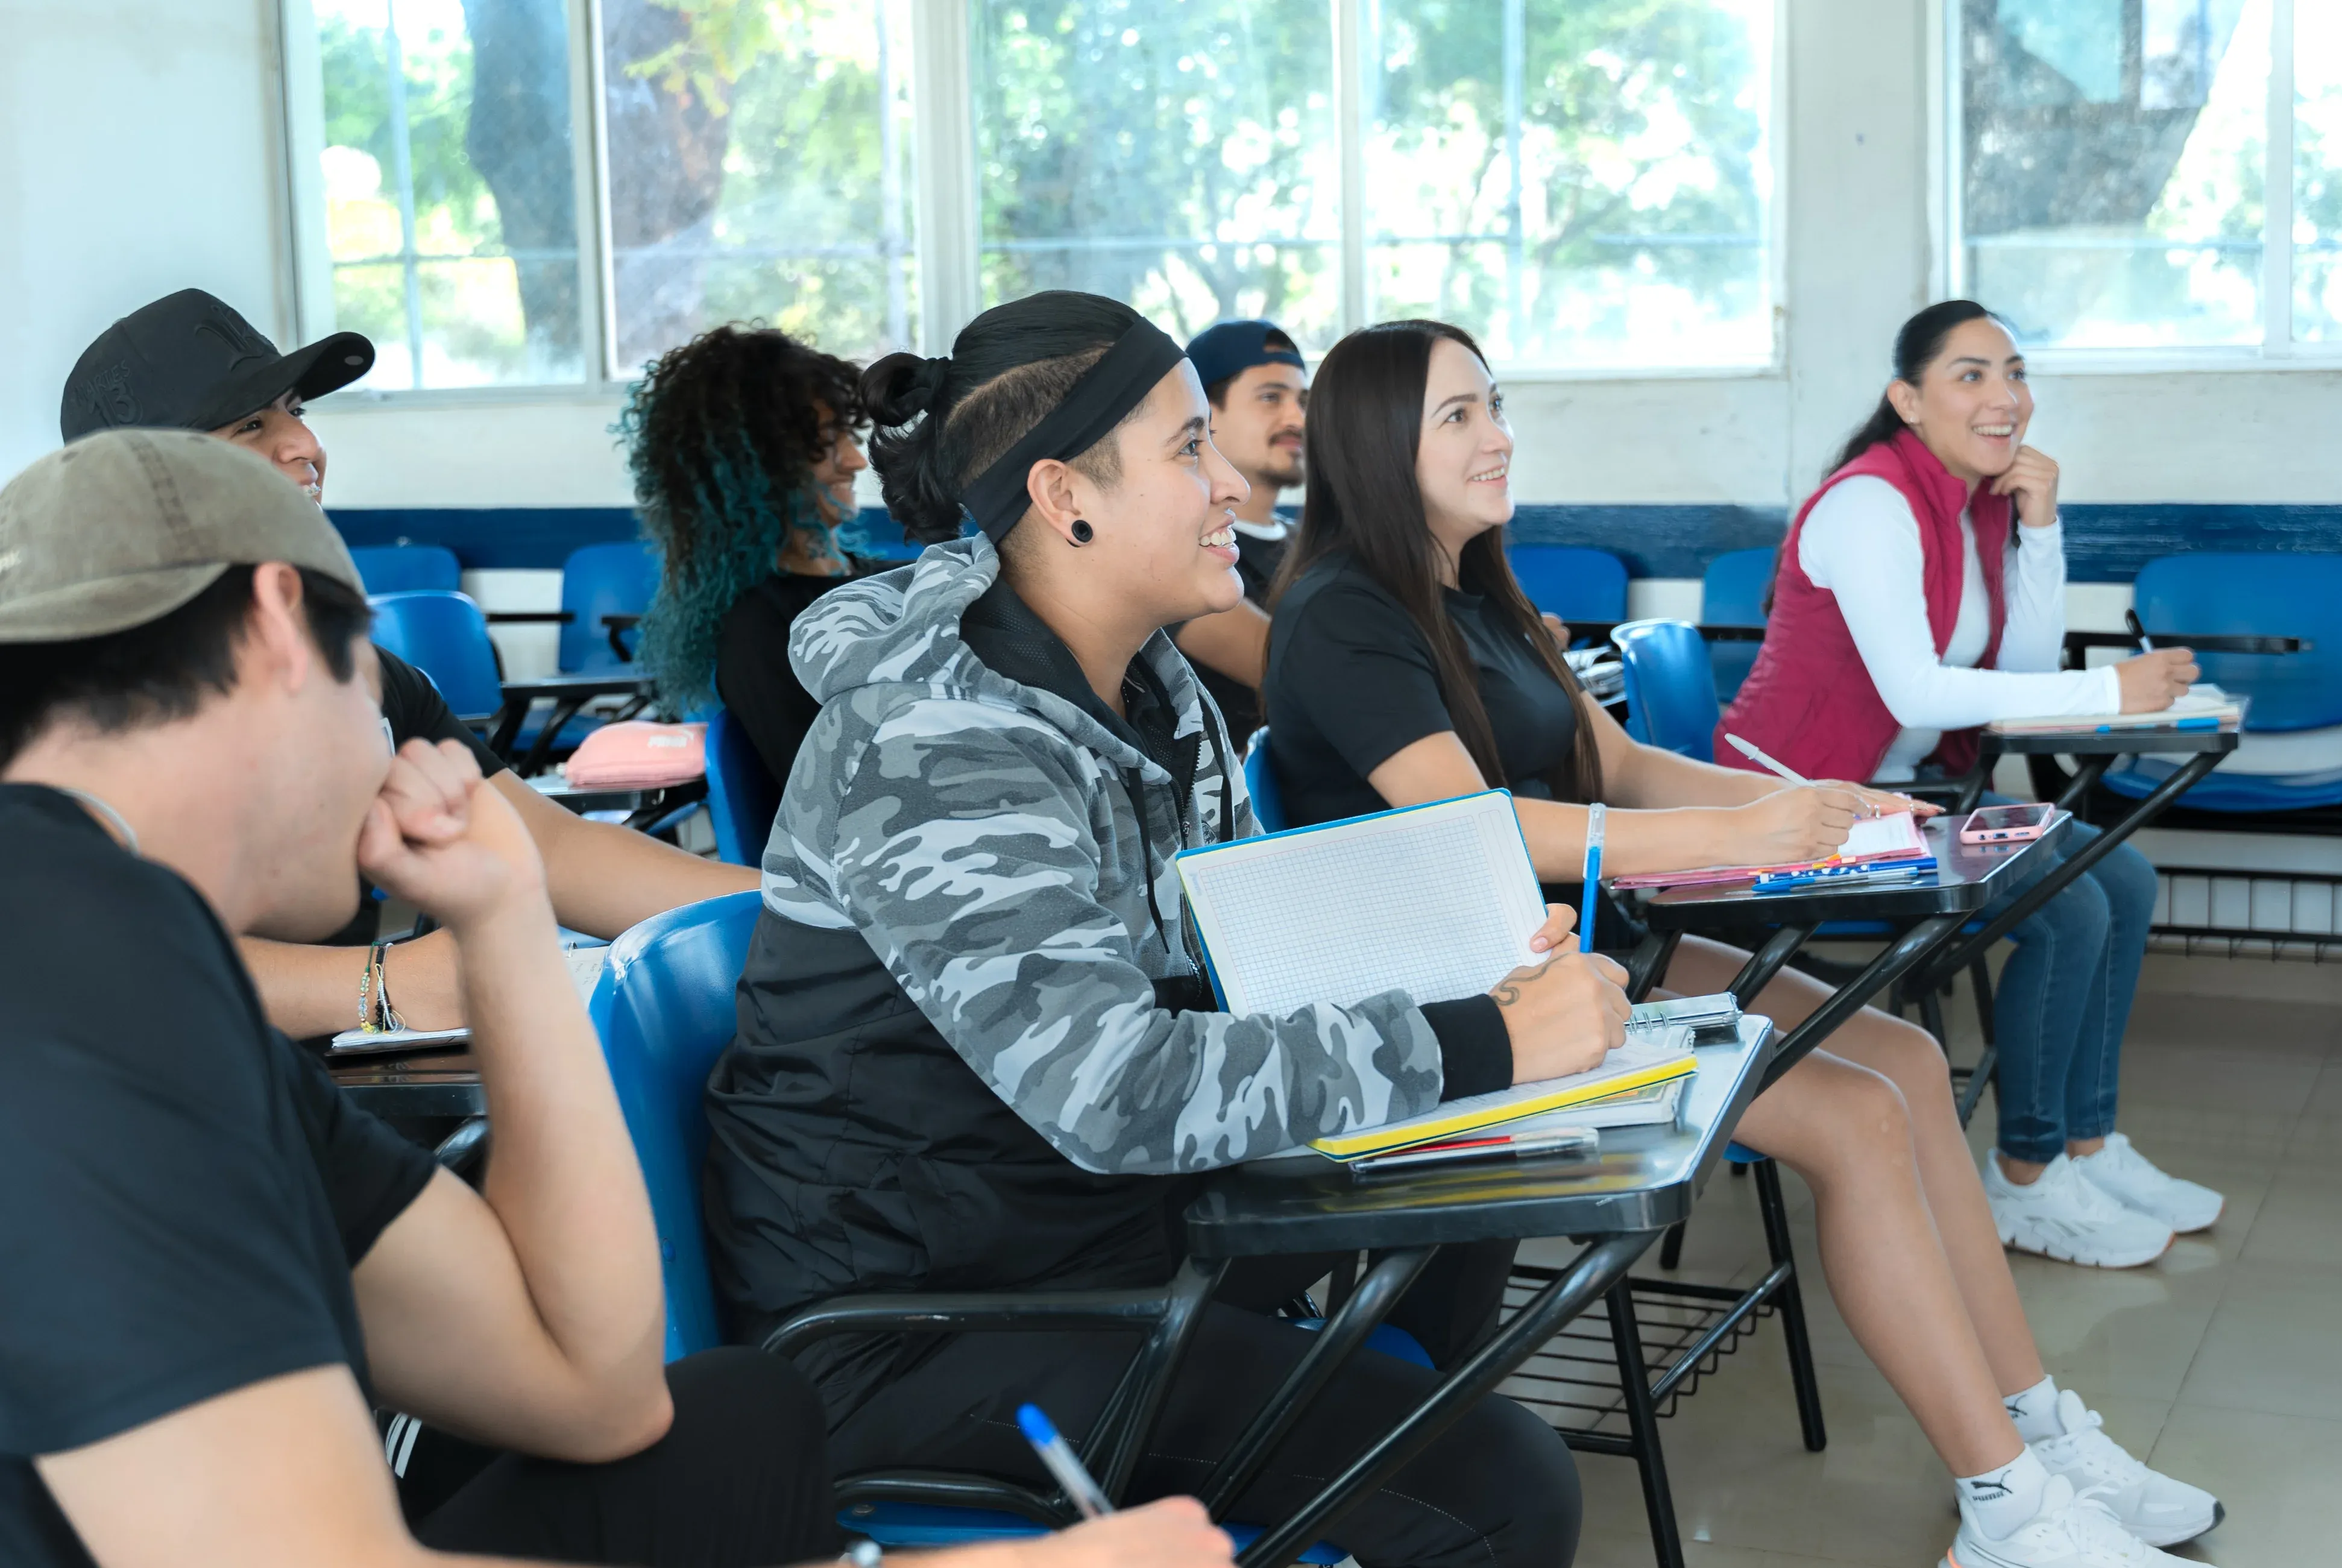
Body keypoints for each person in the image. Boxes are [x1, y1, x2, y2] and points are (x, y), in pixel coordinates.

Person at [0, 429, 1235, 1568]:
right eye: (368, 672)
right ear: (281, 623)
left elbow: (592, 1387)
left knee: (725, 1429)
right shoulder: (79, 946)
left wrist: (502, 927)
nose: (390, 732)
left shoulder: (109, 930)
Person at [1260, 320, 2223, 1568]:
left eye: (1495, 405)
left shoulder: (1478, 590)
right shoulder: (1343, 614)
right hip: (1483, 1002)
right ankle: (2005, 1503)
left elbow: (1627, 766)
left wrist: (1825, 801)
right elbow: (1476, 832)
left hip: (1589, 954)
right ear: (1372, 442)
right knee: (1857, 1117)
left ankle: (2037, 1432)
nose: (1499, 436)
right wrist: (1765, 822)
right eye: (1459, 416)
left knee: (1911, 1068)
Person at [705, 291, 1634, 1568]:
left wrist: (1460, 971)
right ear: (1062, 494)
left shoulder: (1150, 688)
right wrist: (1480, 1039)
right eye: (1189, 449)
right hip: (924, 1322)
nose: (1235, 492)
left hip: (1081, 1225)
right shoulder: (939, 739)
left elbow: (1226, 967)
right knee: (1501, 1483)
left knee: (1452, 1220)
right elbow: (1116, 1088)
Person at [60, 289, 757, 1038]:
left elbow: (549, 848)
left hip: (318, 1100)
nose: (304, 443)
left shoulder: (359, 678)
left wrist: (801, 910)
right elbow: (93, 957)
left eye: (297, 409)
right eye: (252, 424)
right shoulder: (75, 705)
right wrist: (381, 986)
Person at [1716, 300, 2221, 1266]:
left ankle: (2086, 1143)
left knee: (2122, 877)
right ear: (1905, 399)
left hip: (1902, 795)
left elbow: (2015, 679)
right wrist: (2110, 685)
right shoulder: (1870, 501)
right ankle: (2025, 1177)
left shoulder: (1968, 503)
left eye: (2015, 372)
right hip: (1797, 806)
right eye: (1971, 374)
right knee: (2067, 907)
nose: (2006, 398)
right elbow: (1916, 684)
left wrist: (2039, 532)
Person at [624, 324, 884, 792]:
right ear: (757, 468)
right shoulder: (758, 629)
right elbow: (840, 797)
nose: (855, 460)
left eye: (847, 434)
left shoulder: (888, 582)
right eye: (825, 441)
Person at [1171, 319, 1308, 741]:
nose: (1297, 418)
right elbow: (1311, 677)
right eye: (1271, 398)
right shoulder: (1179, 551)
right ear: (1204, 415)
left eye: (1303, 401)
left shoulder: (1313, 542)